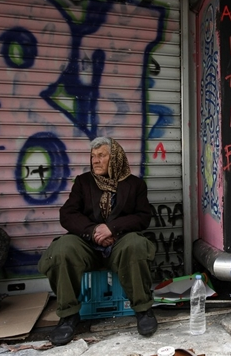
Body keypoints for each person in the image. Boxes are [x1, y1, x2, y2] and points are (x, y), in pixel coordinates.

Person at [38, 137, 157, 346]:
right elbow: (67, 214)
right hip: (88, 245)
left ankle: (143, 310)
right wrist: (93, 231)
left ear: (116, 157)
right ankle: (68, 316)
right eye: (93, 156)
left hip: (119, 243)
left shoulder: (135, 185)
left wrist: (112, 227)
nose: (95, 160)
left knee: (136, 245)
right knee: (61, 249)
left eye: (101, 155)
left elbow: (143, 217)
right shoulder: (83, 182)